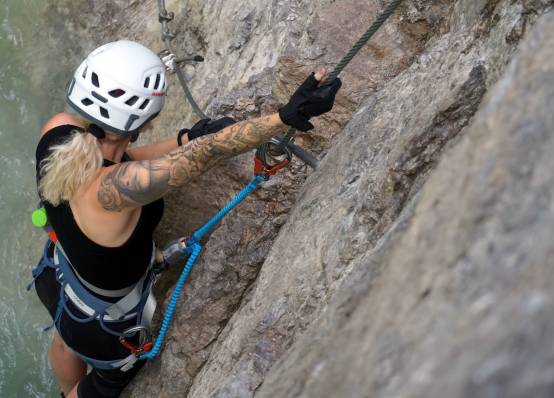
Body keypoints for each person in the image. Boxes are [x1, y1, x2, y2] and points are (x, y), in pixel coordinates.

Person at [31, 40, 341, 398]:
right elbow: (199, 157)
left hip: (59, 280)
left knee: (66, 341)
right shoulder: (111, 193)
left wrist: (186, 137)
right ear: (145, 119)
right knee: (100, 385)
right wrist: (284, 118)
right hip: (104, 327)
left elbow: (125, 161)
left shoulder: (59, 132)